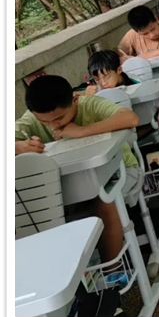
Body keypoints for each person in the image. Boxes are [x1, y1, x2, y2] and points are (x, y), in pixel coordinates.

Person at [15, 75, 141, 265]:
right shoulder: (32, 119)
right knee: (37, 212)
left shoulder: (90, 105)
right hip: (70, 186)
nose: (53, 126)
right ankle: (72, 271)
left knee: (104, 201)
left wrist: (81, 131)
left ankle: (112, 270)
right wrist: (18, 147)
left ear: (74, 100)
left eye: (59, 118)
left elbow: (131, 118)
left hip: (120, 172)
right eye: (44, 122)